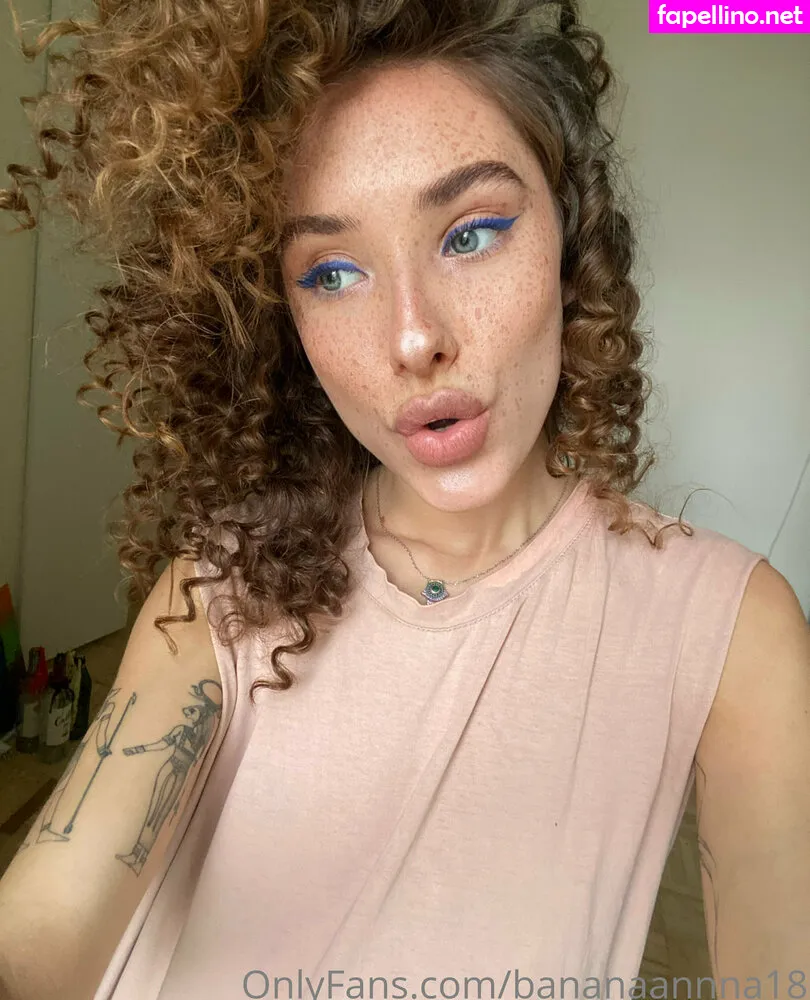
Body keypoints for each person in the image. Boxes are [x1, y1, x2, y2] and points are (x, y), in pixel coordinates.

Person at [0, 1, 808, 998]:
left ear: (570, 237)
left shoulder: (729, 629)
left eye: (471, 234)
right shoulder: (219, 588)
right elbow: (47, 922)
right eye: (333, 272)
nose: (414, 338)